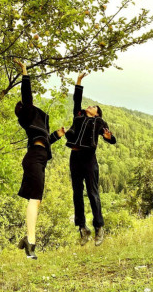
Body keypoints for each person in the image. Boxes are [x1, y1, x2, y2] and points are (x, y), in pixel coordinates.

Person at [13, 59, 65, 260]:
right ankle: (31, 243)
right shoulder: (27, 115)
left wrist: (57, 135)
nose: (32, 105)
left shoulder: (37, 125)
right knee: (35, 200)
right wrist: (25, 72)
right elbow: (27, 97)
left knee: (36, 200)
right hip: (34, 158)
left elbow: (44, 141)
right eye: (27, 105)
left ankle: (29, 239)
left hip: (39, 158)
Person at [65, 72, 116, 246]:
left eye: (94, 106)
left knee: (93, 193)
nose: (91, 106)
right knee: (77, 194)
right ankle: (82, 228)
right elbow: (76, 100)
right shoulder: (78, 116)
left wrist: (109, 137)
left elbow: (111, 138)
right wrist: (78, 81)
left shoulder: (99, 122)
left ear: (96, 113)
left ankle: (99, 228)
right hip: (75, 157)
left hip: (89, 159)